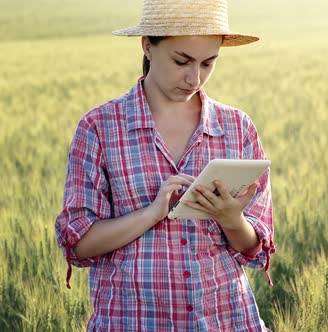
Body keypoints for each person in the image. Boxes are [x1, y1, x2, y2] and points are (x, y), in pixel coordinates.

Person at [54, 0, 276, 330]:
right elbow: (79, 244)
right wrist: (150, 214)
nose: (194, 77)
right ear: (147, 46)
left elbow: (253, 248)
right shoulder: (99, 127)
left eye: (208, 63)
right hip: (131, 319)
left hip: (224, 318)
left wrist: (231, 219)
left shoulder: (237, 127)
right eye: (181, 60)